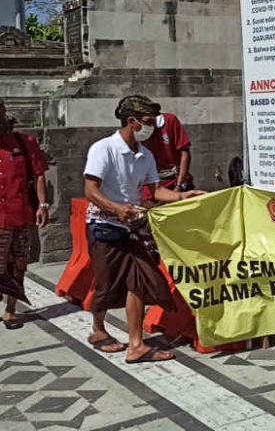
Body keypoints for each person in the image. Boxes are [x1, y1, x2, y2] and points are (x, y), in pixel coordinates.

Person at [84, 95, 204, 362]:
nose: (151, 129)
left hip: (133, 226)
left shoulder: (146, 155)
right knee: (106, 284)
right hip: (104, 225)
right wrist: (115, 208)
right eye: (147, 123)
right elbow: (90, 190)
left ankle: (135, 344)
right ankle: (98, 328)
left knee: (138, 280)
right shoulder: (104, 149)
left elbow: (153, 191)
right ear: (132, 122)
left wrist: (184, 196)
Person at [0, 99, 49, 329]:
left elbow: (39, 173)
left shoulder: (24, 142)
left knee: (19, 261)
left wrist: (42, 205)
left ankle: (11, 310)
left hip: (20, 213)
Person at [141, 110, 194, 201]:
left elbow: (185, 153)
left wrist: (179, 186)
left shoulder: (170, 121)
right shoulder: (138, 131)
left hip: (175, 180)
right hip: (153, 184)